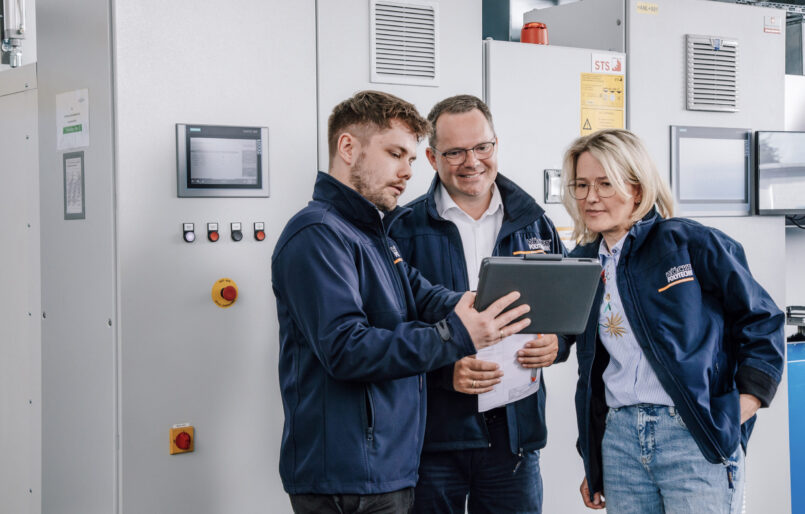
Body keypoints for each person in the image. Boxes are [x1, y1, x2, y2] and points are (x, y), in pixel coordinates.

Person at [272, 90, 532, 514]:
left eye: (411, 159)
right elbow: (346, 349)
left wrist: (481, 304)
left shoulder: (373, 235)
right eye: (396, 154)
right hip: (347, 477)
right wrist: (457, 335)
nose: (406, 172)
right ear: (348, 147)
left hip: (386, 467)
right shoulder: (317, 235)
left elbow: (424, 295)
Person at [563, 129, 785, 514]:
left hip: (691, 432)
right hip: (619, 441)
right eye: (581, 185)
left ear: (636, 188)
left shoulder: (690, 243)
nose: (591, 197)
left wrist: (740, 407)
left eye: (605, 183)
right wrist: (594, 461)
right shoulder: (581, 263)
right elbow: (592, 370)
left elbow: (762, 319)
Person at [390, 95, 567, 514]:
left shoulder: (534, 223)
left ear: (496, 145)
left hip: (514, 439)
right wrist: (442, 372)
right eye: (455, 152)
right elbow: (386, 331)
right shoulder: (401, 230)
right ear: (432, 158)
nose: (472, 161)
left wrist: (559, 344)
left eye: (482, 147)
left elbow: (569, 311)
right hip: (433, 440)